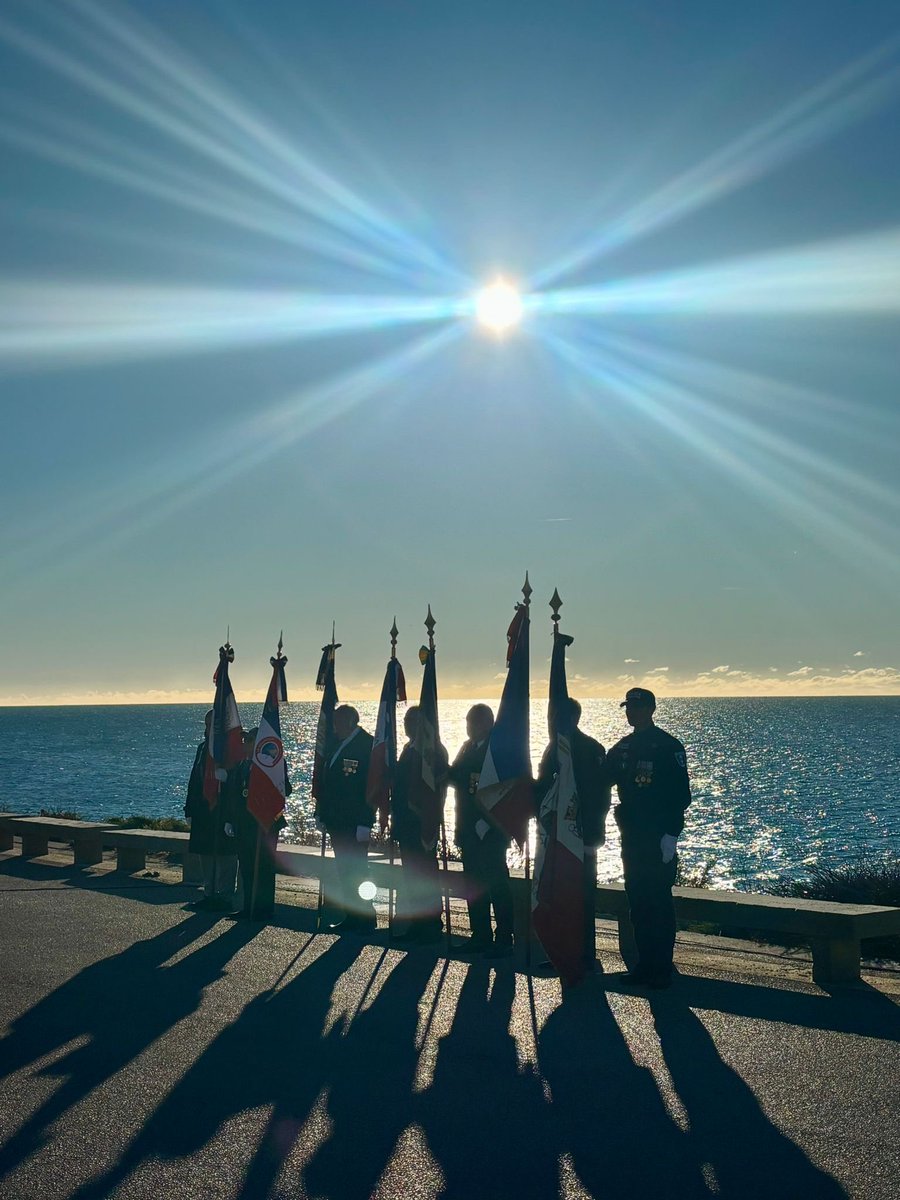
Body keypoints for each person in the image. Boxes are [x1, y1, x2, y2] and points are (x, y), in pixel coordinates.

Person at [601, 687, 691, 988]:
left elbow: (681, 795)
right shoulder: (623, 747)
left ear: (651, 709)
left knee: (659, 902)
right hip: (632, 837)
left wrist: (671, 835)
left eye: (638, 707)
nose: (632, 712)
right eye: (629, 707)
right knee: (638, 901)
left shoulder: (667, 746)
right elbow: (601, 779)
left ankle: (661, 967)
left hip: (657, 836)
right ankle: (644, 965)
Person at [535, 698, 611, 974]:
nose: (556, 721)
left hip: (580, 835)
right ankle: (562, 951)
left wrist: (591, 835)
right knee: (559, 895)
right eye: (555, 716)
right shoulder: (554, 748)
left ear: (575, 719)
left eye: (562, 717)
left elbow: (599, 796)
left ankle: (585, 955)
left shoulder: (590, 749)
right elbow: (544, 786)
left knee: (582, 897)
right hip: (555, 835)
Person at [447, 703, 514, 957]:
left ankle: (504, 937)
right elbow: (457, 777)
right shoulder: (467, 747)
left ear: (487, 723)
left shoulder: (498, 751)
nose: (469, 727)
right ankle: (480, 934)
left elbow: (506, 789)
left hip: (492, 831)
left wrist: (489, 821)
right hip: (468, 829)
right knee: (474, 886)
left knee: (497, 886)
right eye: (467, 722)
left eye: (473, 722)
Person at [313, 704, 376, 932]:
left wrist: (365, 821)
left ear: (350, 722)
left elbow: (370, 787)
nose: (333, 727)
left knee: (358, 870)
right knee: (345, 870)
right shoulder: (336, 744)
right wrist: (322, 813)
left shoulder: (366, 745)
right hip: (338, 821)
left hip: (354, 822)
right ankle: (352, 915)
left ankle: (366, 916)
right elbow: (329, 782)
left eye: (337, 722)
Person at [391, 706, 447, 945]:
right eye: (405, 720)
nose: (406, 724)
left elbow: (435, 788)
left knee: (425, 875)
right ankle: (417, 922)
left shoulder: (433, 751)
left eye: (411, 720)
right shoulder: (409, 748)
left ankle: (431, 924)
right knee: (412, 876)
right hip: (406, 822)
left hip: (421, 822)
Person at [223, 727, 290, 922]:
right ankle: (248, 907)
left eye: (250, 740)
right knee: (247, 867)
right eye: (245, 741)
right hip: (244, 824)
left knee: (264, 868)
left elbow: (286, 789)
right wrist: (230, 820)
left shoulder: (273, 764)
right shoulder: (243, 764)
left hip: (265, 824)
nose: (245, 744)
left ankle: (264, 909)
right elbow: (235, 795)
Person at [184, 709, 238, 912]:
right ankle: (209, 893)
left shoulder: (230, 750)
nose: (207, 729)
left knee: (226, 856)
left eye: (211, 725)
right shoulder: (202, 749)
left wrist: (231, 816)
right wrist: (189, 809)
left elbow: (236, 782)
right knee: (205, 853)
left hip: (223, 811)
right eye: (206, 725)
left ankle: (225, 896)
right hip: (203, 811)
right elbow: (194, 780)